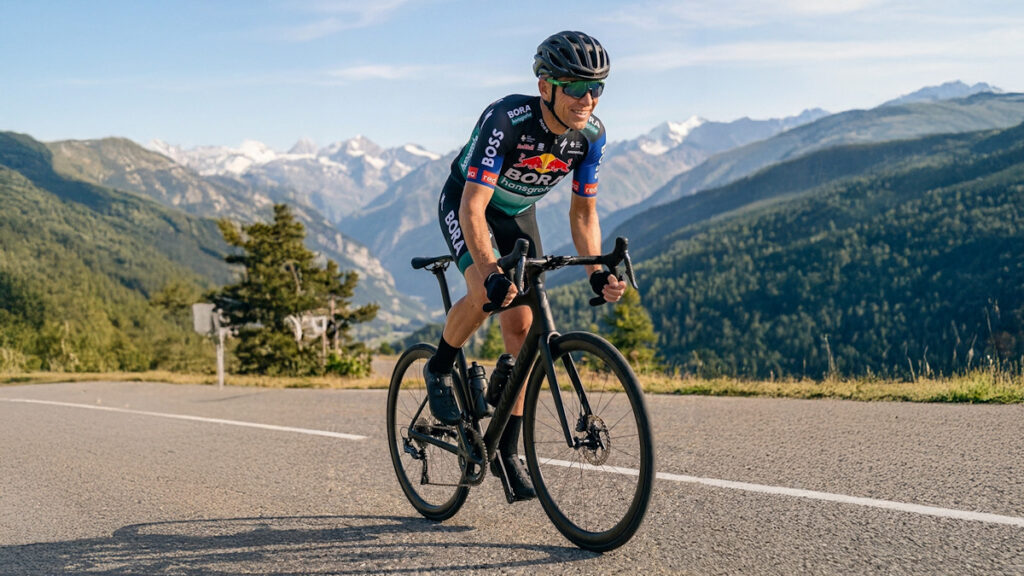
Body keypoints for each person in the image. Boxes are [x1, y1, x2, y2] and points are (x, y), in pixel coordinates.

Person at [425, 30, 627, 501]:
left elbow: (583, 214)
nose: (588, 98)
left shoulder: (591, 136)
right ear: (545, 88)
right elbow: (474, 207)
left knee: (523, 325)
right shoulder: (507, 120)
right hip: (467, 203)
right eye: (575, 87)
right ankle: (438, 366)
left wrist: (596, 271)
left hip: (517, 214)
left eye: (597, 87)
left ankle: (507, 453)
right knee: (487, 293)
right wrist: (491, 270)